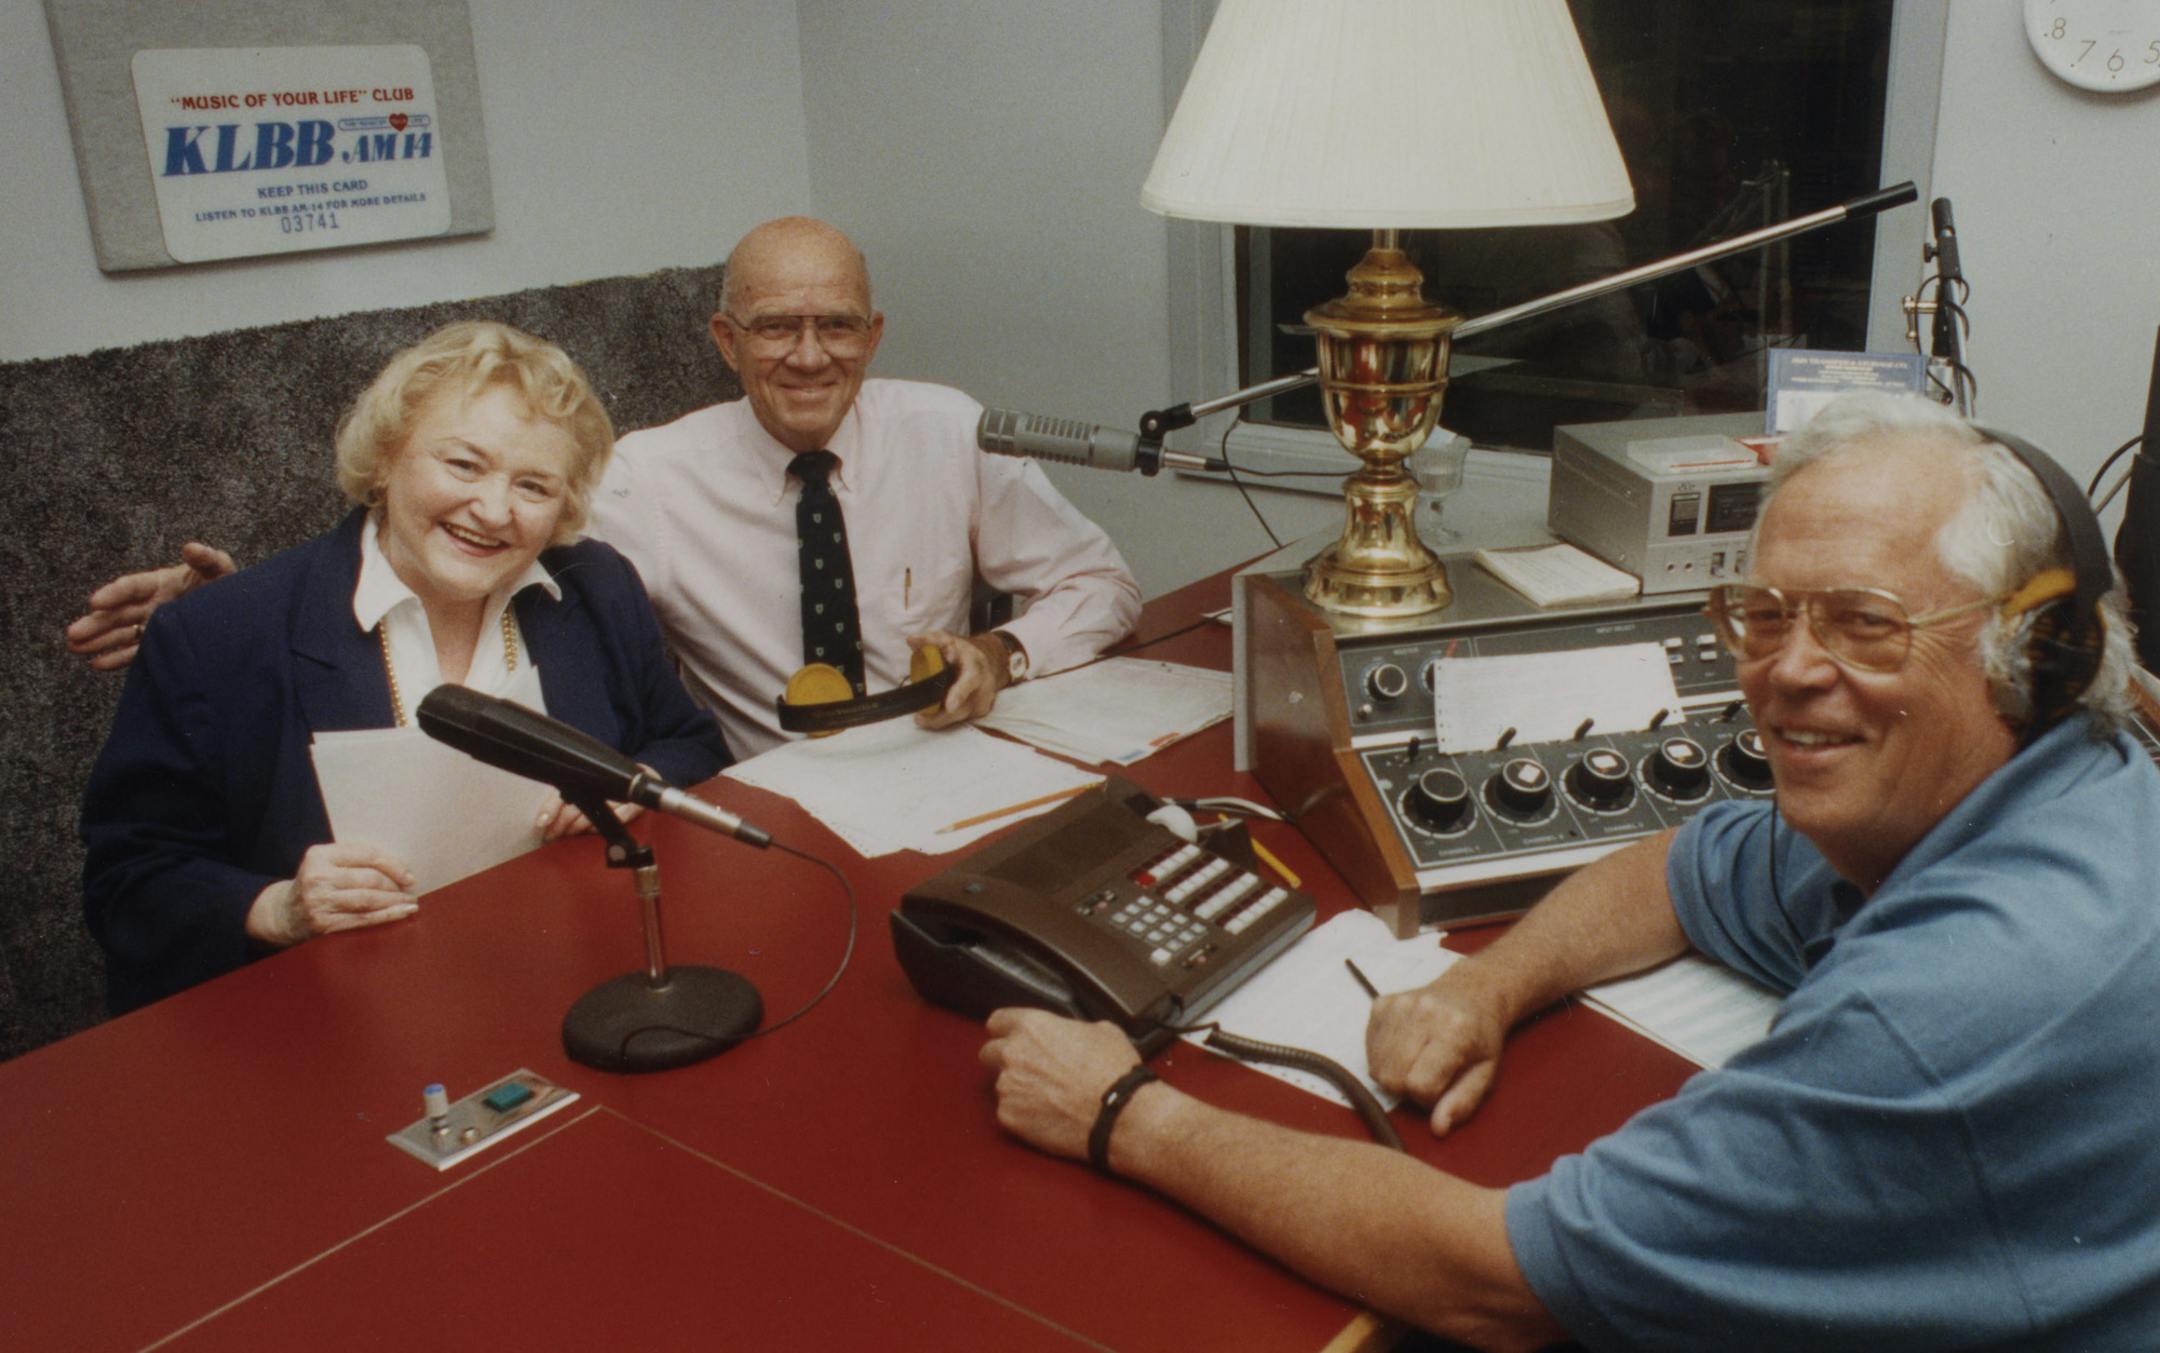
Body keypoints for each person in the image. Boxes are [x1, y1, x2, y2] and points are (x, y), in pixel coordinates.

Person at [980, 392, 2160, 1350]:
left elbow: (1496, 1284)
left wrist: (1125, 1115)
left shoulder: (1959, 998)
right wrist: (1482, 989)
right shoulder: (2046, 785)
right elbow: (1690, 862)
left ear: (2035, 652)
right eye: (1762, 614)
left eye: (1865, 624)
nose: (1788, 673)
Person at [66, 216, 1143, 759]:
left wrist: (1002, 651)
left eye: (837, 325)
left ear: (874, 333)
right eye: (775, 325)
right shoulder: (644, 477)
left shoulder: (948, 428)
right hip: (774, 789)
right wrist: (238, 607)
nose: (809, 355)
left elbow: (1103, 585)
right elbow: (462, 551)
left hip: (957, 764)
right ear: (726, 339)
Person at [80, 322, 733, 1015]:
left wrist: (639, 784)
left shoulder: (596, 586)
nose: (492, 509)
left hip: (568, 980)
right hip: (337, 1020)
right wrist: (276, 907)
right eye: (463, 465)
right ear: (387, 459)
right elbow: (128, 878)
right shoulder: (219, 634)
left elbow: (692, 743)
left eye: (534, 485)